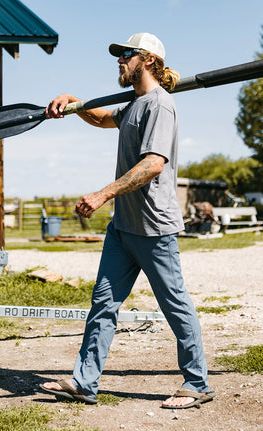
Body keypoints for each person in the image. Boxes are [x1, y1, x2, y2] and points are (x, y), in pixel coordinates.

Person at [40, 33, 215, 409]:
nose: (120, 60)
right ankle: (84, 382)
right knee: (103, 304)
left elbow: (153, 164)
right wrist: (72, 101)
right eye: (119, 55)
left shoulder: (160, 105)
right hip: (123, 228)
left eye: (127, 54)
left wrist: (103, 194)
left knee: (174, 305)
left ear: (148, 60)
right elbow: (101, 117)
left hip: (154, 228)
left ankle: (197, 383)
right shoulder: (135, 104)